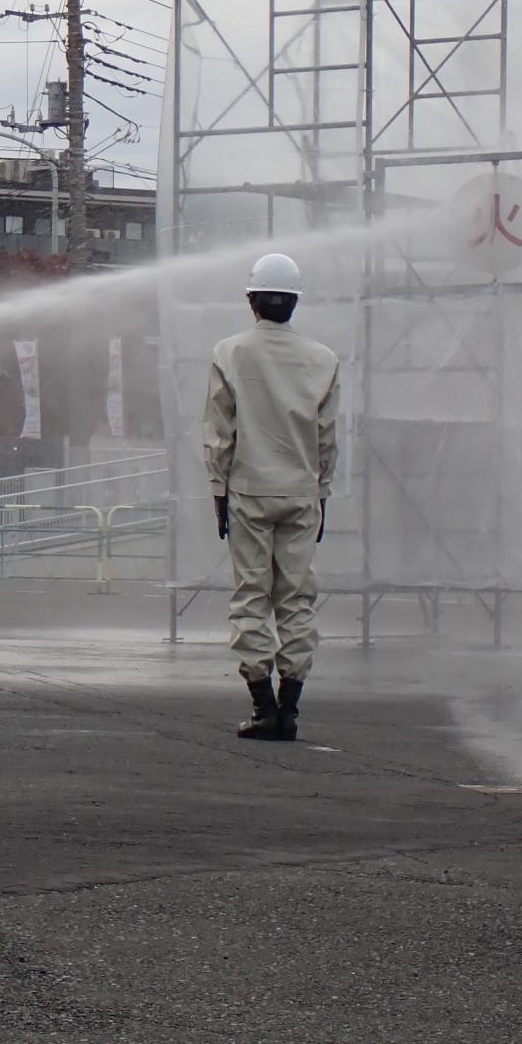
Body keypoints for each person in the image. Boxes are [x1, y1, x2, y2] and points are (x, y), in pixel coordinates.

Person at [203, 252, 340, 742]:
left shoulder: (229, 353)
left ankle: (262, 705)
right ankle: (291, 706)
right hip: (302, 493)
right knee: (297, 598)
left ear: (250, 300)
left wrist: (218, 491)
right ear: (295, 303)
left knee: (252, 596)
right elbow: (327, 438)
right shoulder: (324, 359)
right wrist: (322, 493)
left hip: (248, 491)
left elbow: (220, 434)